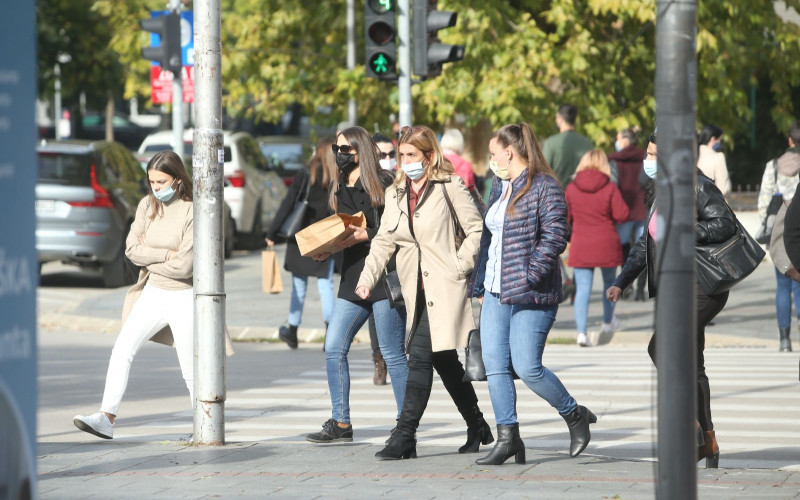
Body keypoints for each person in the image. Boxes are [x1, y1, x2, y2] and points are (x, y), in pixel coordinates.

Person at [357, 125, 494, 460]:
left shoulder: (450, 186)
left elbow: (477, 229)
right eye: (402, 155)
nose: (405, 162)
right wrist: (367, 277)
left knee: (419, 358)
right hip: (413, 291)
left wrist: (459, 265)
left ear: (429, 156)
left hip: (443, 287)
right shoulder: (396, 192)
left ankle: (404, 435)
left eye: (412, 155)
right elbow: (384, 240)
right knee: (444, 360)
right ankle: (477, 424)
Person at [606, 130, 737, 469]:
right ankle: (708, 441)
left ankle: (690, 424)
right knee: (693, 365)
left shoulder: (698, 185)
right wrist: (622, 281)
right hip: (675, 288)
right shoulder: (658, 192)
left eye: (653, 155)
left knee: (661, 347)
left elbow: (725, 223)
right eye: (647, 154)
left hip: (702, 285)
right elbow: (644, 244)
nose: (647, 161)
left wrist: (689, 230)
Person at [470, 123, 597, 465]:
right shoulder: (500, 186)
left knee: (527, 367)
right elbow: (490, 239)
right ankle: (508, 437)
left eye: (494, 154)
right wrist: (481, 284)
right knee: (495, 366)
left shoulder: (545, 186)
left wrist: (529, 275)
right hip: (495, 291)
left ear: (509, 153)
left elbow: (556, 237)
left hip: (531, 292)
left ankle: (574, 415)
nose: (491, 160)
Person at [73, 151, 196, 439]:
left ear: (178, 179)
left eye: (161, 181)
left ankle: (204, 424)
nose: (156, 187)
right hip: (152, 291)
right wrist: (167, 254)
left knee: (190, 366)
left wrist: (149, 255)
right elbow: (131, 250)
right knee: (122, 350)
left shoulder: (192, 211)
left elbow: (186, 266)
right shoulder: (146, 206)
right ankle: (106, 418)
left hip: (183, 295)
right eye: (151, 181)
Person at [304, 126, 408, 443]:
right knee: (334, 347)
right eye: (337, 149)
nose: (340, 154)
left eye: (346, 149)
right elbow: (339, 231)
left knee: (391, 353)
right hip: (352, 279)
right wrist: (326, 248)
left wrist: (369, 234)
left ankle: (406, 425)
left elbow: (402, 230)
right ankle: (341, 423)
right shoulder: (338, 186)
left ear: (361, 150)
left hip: (383, 278)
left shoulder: (385, 184)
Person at [266, 138, 337, 350]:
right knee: (326, 285)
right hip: (326, 235)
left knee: (299, 285)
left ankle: (293, 330)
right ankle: (330, 334)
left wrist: (273, 231)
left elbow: (288, 203)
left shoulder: (306, 174)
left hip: (301, 236)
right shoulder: (337, 177)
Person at [566, 150, 629, 347]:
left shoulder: (572, 188)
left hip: (581, 243)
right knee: (610, 285)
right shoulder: (610, 188)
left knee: (583, 289)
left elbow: (565, 217)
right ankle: (607, 323)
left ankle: (581, 333)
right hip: (606, 243)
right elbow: (622, 215)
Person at [757, 121, 800, 351]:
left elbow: (764, 201)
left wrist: (768, 226)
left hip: (780, 231)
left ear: (790, 140)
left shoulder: (773, 165)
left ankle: (784, 339)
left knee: (782, 285)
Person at [608, 127, 647, 299]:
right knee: (645, 248)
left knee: (624, 246)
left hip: (623, 210)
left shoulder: (614, 160)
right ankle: (640, 290)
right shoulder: (645, 157)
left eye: (618, 138)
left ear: (624, 140)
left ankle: (626, 285)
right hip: (644, 208)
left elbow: (613, 185)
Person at [543, 104, 594, 187]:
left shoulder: (550, 143)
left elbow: (543, 173)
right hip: (583, 192)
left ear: (560, 119)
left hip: (558, 192)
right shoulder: (587, 143)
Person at [697, 124, 732, 196]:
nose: (720, 143)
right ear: (712, 139)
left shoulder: (694, 156)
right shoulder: (718, 157)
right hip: (713, 200)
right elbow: (723, 188)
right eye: (720, 140)